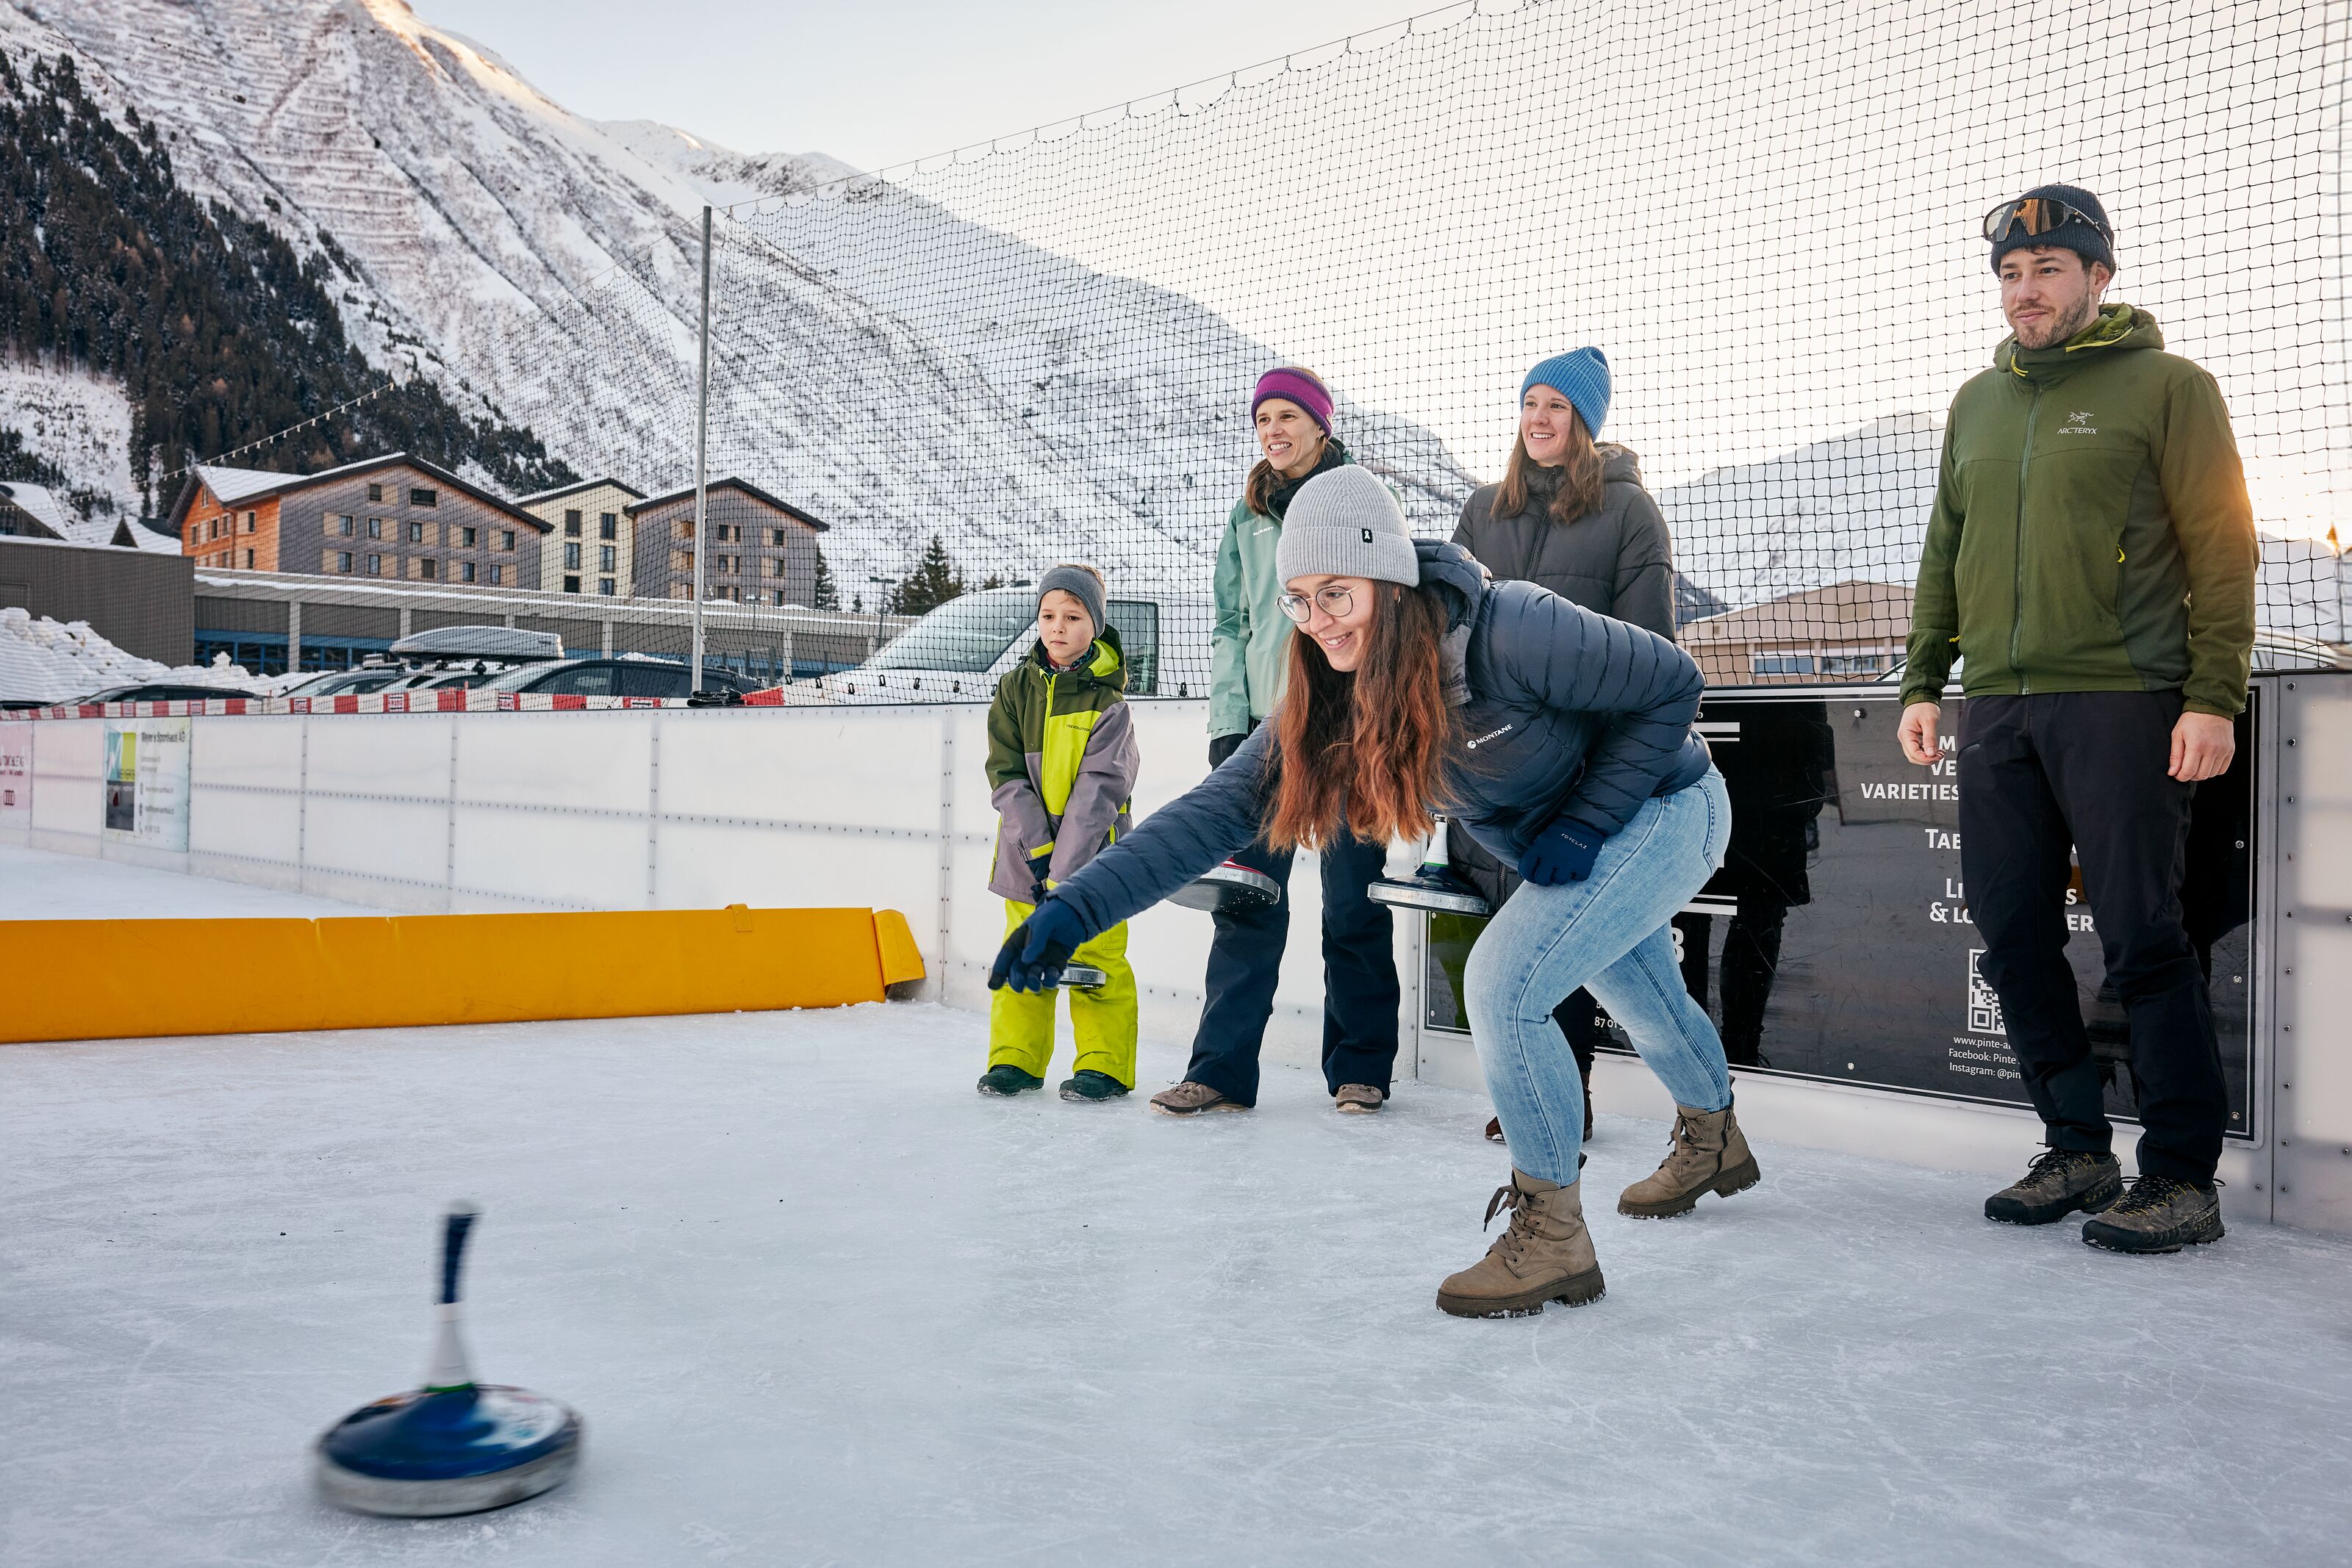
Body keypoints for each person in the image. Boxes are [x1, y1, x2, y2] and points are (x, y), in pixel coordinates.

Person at [993, 467, 1759, 1317]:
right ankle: (1713, 1134)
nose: (1318, 622)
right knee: (1645, 997)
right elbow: (1210, 816)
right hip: (1570, 838)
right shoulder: (1330, 696)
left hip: (1666, 807)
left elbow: (1670, 685)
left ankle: (1553, 1236)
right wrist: (1074, 906)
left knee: (1504, 986)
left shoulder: (1509, 630)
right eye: (1298, 600)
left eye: (1336, 593)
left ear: (1387, 578)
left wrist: (1583, 823)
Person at [1898, 185, 2257, 1254]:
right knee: (2012, 934)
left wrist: (2212, 695)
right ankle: (2076, 1144)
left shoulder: (2171, 388)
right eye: (2011, 273)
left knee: (2147, 938)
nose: (2025, 291)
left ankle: (2183, 1175)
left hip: (2123, 696)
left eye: (2048, 269)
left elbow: (2223, 551)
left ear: (2100, 277)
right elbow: (1942, 552)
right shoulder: (1977, 402)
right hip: (1998, 704)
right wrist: (1924, 679)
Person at [1451, 348, 1678, 1142]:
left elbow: (1651, 652)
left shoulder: (1629, 513)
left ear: (1585, 422)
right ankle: (1528, 1088)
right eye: (1529, 403)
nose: (1539, 419)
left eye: (1557, 406)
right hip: (1498, 760)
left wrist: (1608, 786)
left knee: (1572, 942)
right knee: (1510, 938)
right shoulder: (1483, 510)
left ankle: (1573, 1095)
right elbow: (1444, 629)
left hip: (1580, 769)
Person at [1164, 364, 1398, 1118]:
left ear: (1319, 426)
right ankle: (1220, 1071)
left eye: (1285, 417)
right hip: (1267, 733)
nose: (1271, 431)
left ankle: (1360, 1070)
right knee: (1246, 901)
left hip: (1349, 729)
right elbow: (1230, 625)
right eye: (1261, 418)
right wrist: (1228, 724)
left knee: (1352, 904)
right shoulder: (1247, 517)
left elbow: (1387, 607)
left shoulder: (1356, 498)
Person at [976, 564, 1141, 1102]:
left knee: (1097, 958)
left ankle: (1105, 1065)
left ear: (1094, 625)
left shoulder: (1109, 704)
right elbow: (1004, 773)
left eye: (1072, 617)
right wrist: (1039, 852)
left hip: (1097, 866)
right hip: (1025, 859)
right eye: (1048, 615)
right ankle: (1014, 1061)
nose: (1058, 627)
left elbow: (1099, 794)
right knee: (1025, 954)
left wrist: (1067, 870)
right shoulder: (1014, 688)